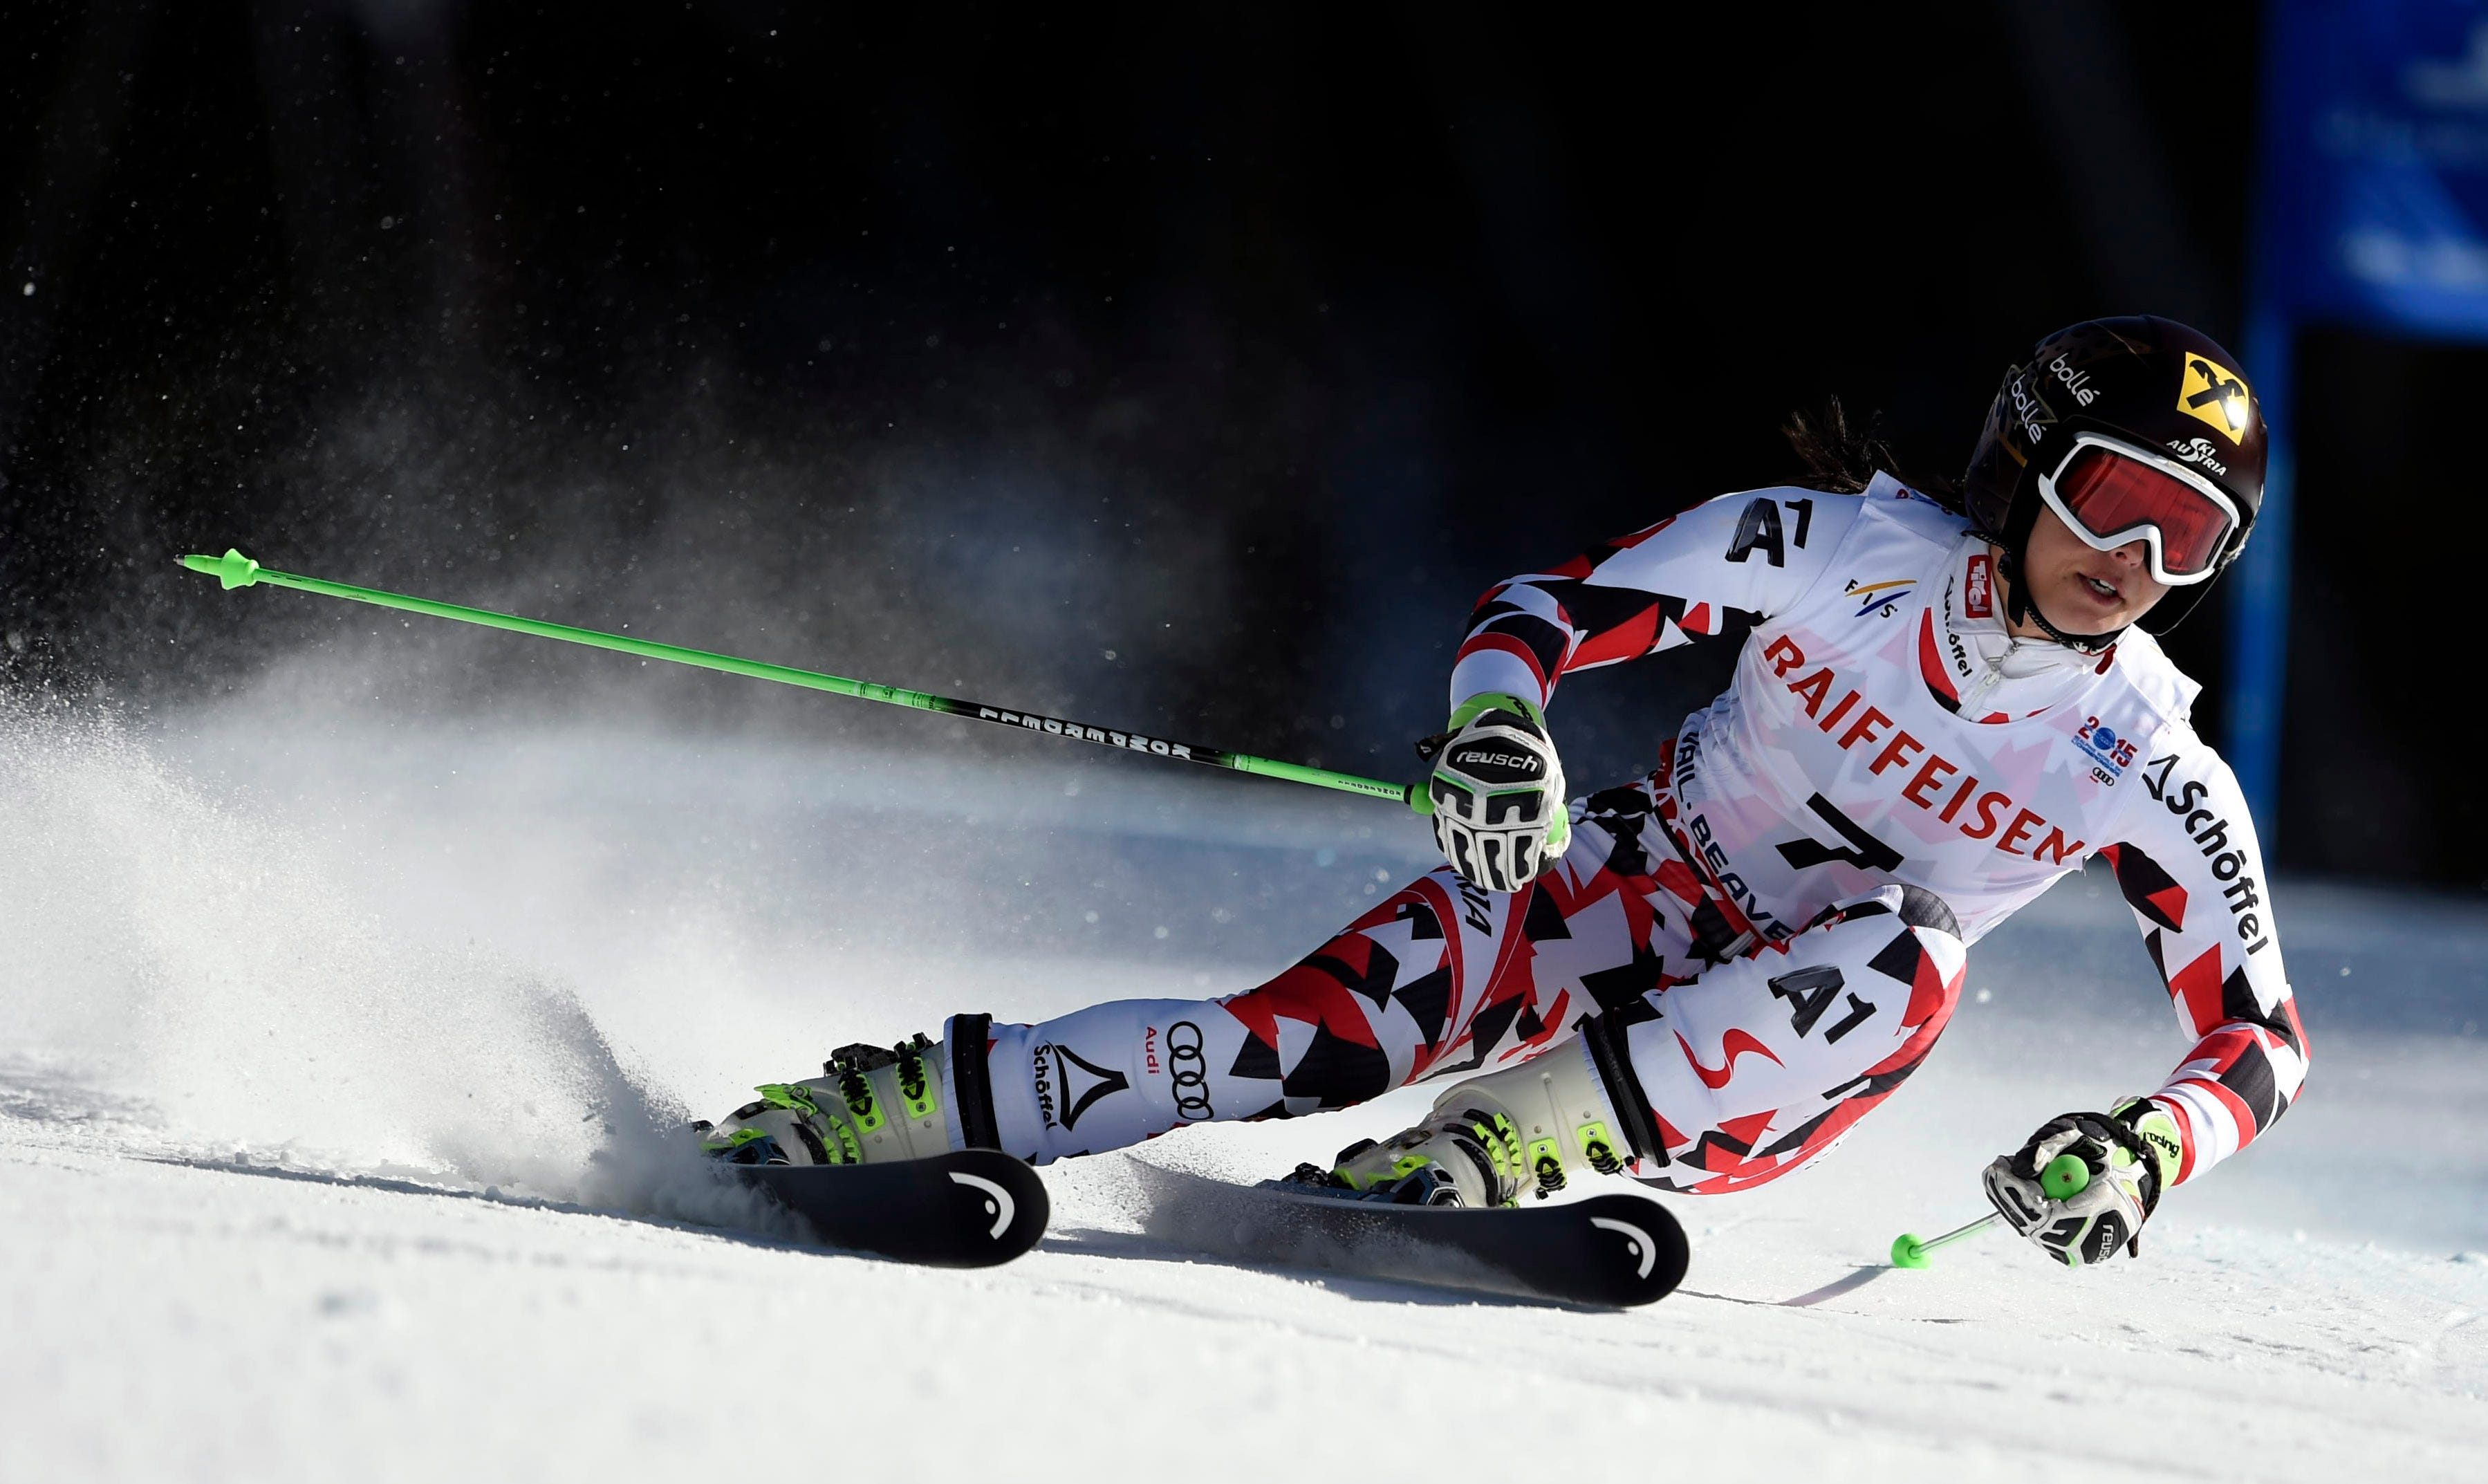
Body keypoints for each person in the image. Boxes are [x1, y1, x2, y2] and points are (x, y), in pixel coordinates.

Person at [700, 315, 2308, 1269]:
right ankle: (885, 1107)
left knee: (1909, 953)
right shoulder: (1843, 555)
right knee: (1294, 1044)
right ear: (2022, 470)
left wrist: (2148, 1148)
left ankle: (1488, 1158)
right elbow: (1550, 609)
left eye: (2188, 540)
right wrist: (1497, 732)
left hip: (1771, 1052)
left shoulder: (2146, 761)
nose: (2133, 563)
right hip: (1613, 883)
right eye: (2113, 500)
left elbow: (2257, 1039)